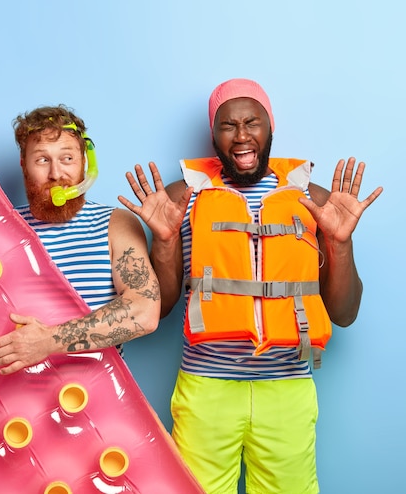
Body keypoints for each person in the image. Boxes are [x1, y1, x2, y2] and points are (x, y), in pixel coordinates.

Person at [119, 79, 383, 494]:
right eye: (228, 125)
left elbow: (345, 313)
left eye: (252, 122)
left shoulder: (312, 198)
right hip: (207, 388)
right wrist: (166, 243)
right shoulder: (181, 198)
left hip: (287, 388)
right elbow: (163, 307)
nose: (242, 136)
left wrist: (340, 242)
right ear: (214, 134)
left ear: (269, 127)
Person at [0, 104, 161, 375]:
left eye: (67, 159)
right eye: (42, 160)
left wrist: (48, 342)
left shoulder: (116, 223)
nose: (56, 174)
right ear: (24, 165)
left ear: (85, 163)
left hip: (101, 402)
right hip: (17, 407)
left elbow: (144, 312)